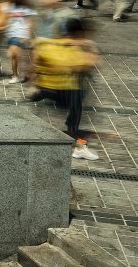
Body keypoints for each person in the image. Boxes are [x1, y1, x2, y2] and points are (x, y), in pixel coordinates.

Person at [31, 18, 101, 160]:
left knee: (74, 108)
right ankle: (78, 147)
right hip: (68, 88)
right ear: (78, 32)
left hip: (52, 86)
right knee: (75, 109)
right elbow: (89, 63)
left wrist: (35, 82)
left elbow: (36, 59)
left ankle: (45, 94)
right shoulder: (78, 47)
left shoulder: (51, 43)